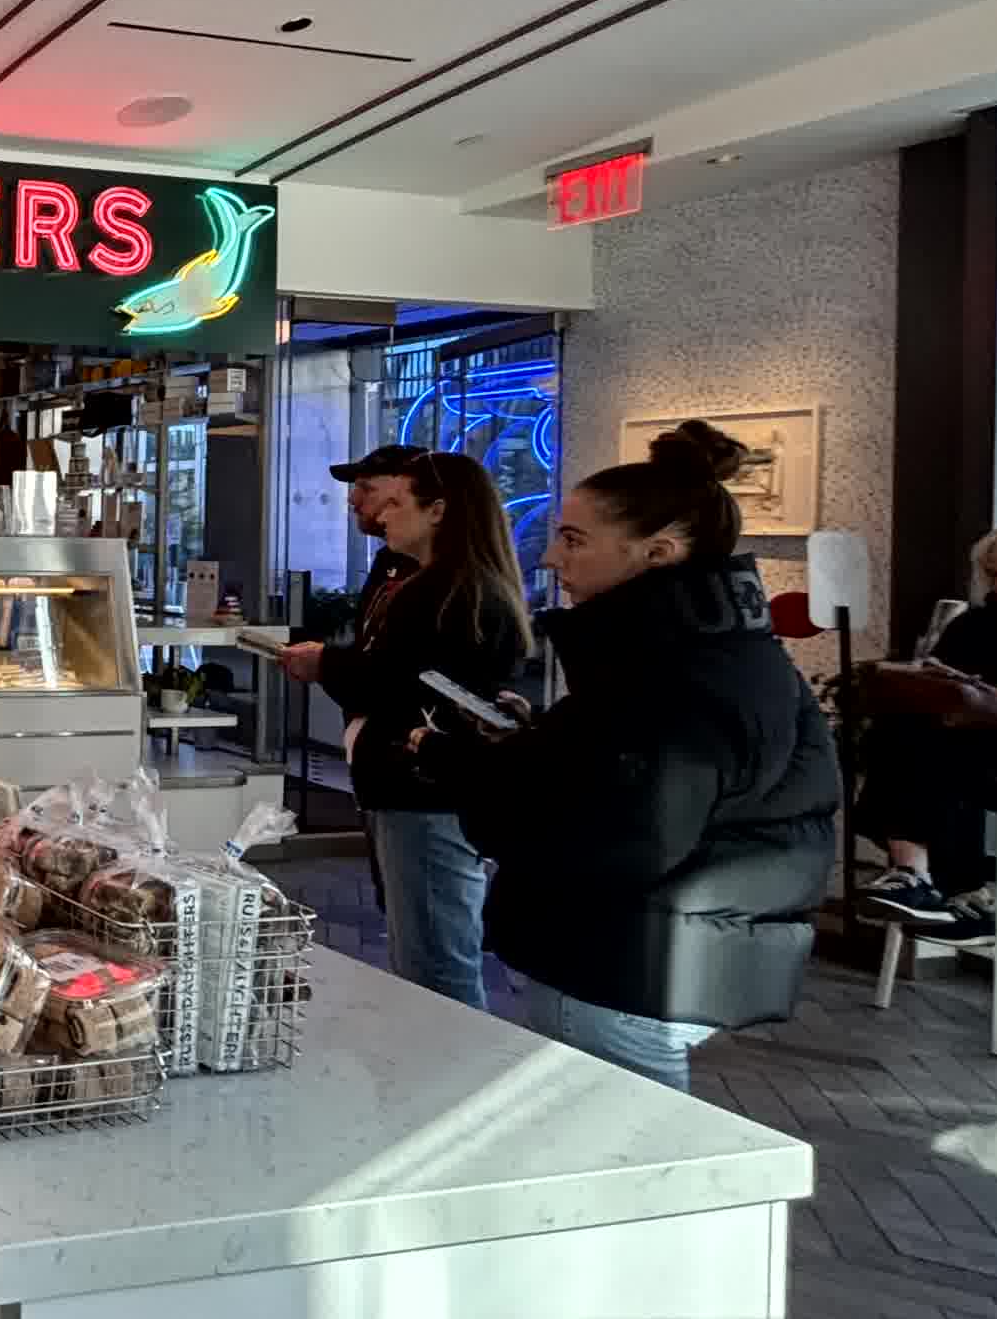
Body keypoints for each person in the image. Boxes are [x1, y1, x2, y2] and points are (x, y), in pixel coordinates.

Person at [428, 421, 837, 1091]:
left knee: (619, 1139)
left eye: (573, 539)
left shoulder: (665, 674)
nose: (550, 558)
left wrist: (468, 769)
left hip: (618, 964)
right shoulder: (720, 654)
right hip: (658, 952)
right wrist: (538, 744)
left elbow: (618, 835)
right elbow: (639, 783)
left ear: (657, 552)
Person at [332, 453, 531, 1009]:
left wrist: (331, 667)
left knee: (435, 966)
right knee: (429, 950)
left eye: (395, 503)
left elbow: (389, 686)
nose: (381, 515)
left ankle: (447, 1058)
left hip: (422, 791)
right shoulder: (460, 588)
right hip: (427, 788)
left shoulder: (444, 594)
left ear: (438, 511)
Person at [855, 523, 997, 938]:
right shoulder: (976, 623)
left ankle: (940, 886)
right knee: (906, 726)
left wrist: (980, 692)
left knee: (933, 750)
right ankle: (923, 878)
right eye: (996, 575)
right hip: (980, 751)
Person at [276, 444, 424, 696]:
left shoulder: (446, 578)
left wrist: (326, 664)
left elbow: (403, 675)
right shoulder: (388, 560)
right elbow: (373, 658)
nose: (352, 499)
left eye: (367, 488)